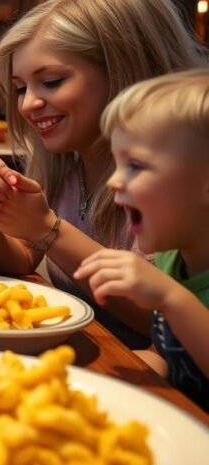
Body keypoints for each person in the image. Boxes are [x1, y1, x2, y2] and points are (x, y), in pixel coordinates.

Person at [0, 0, 209, 345]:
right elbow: (20, 259)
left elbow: (162, 322)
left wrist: (48, 228)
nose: (27, 105)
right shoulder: (62, 162)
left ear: (125, 71)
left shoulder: (173, 182)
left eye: (53, 81)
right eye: (20, 88)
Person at [74, 71, 209, 410]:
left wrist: (170, 297)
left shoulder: (170, 284)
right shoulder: (172, 257)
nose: (114, 181)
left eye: (135, 166)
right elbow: (168, 354)